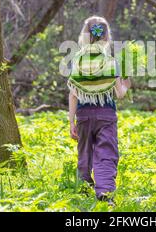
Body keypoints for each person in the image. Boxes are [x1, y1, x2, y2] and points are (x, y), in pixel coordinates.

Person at [67, 16, 131, 204]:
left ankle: (85, 189)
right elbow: (120, 94)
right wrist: (126, 83)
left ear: (85, 36)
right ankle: (105, 193)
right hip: (106, 114)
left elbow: (73, 94)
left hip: (84, 115)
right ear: (106, 36)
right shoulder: (111, 62)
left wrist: (71, 121)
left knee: (84, 152)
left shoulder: (77, 62)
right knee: (106, 153)